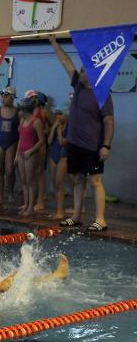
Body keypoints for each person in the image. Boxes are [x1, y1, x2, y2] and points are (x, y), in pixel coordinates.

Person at [49, 35, 114, 232]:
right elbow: (66, 61)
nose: (80, 72)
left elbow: (109, 120)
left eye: (84, 71)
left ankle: (100, 219)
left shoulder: (102, 94)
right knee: (77, 180)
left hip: (92, 145)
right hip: (74, 144)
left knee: (95, 181)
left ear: (92, 74)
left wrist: (106, 145)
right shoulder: (77, 84)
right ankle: (76, 216)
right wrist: (54, 42)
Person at [15, 96, 45, 216]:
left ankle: (31, 207)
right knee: (23, 180)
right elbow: (20, 139)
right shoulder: (22, 121)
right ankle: (26, 204)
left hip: (30, 154)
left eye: (20, 110)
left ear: (25, 110)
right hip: (22, 153)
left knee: (30, 180)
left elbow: (41, 140)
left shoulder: (36, 122)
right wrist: (17, 155)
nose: (19, 112)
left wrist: (31, 151)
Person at [0, 87, 19, 206]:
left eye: (5, 96)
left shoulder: (18, 112)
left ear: (12, 98)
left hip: (12, 142)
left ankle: (11, 193)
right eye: (1, 95)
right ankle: (0, 197)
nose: (2, 97)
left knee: (9, 171)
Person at [48, 110, 68, 220]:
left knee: (59, 183)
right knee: (55, 184)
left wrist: (59, 131)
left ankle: (60, 211)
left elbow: (62, 142)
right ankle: (58, 210)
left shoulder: (70, 127)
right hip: (53, 155)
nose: (58, 116)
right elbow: (49, 141)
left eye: (60, 113)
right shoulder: (56, 126)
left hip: (63, 156)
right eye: (56, 114)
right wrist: (53, 128)